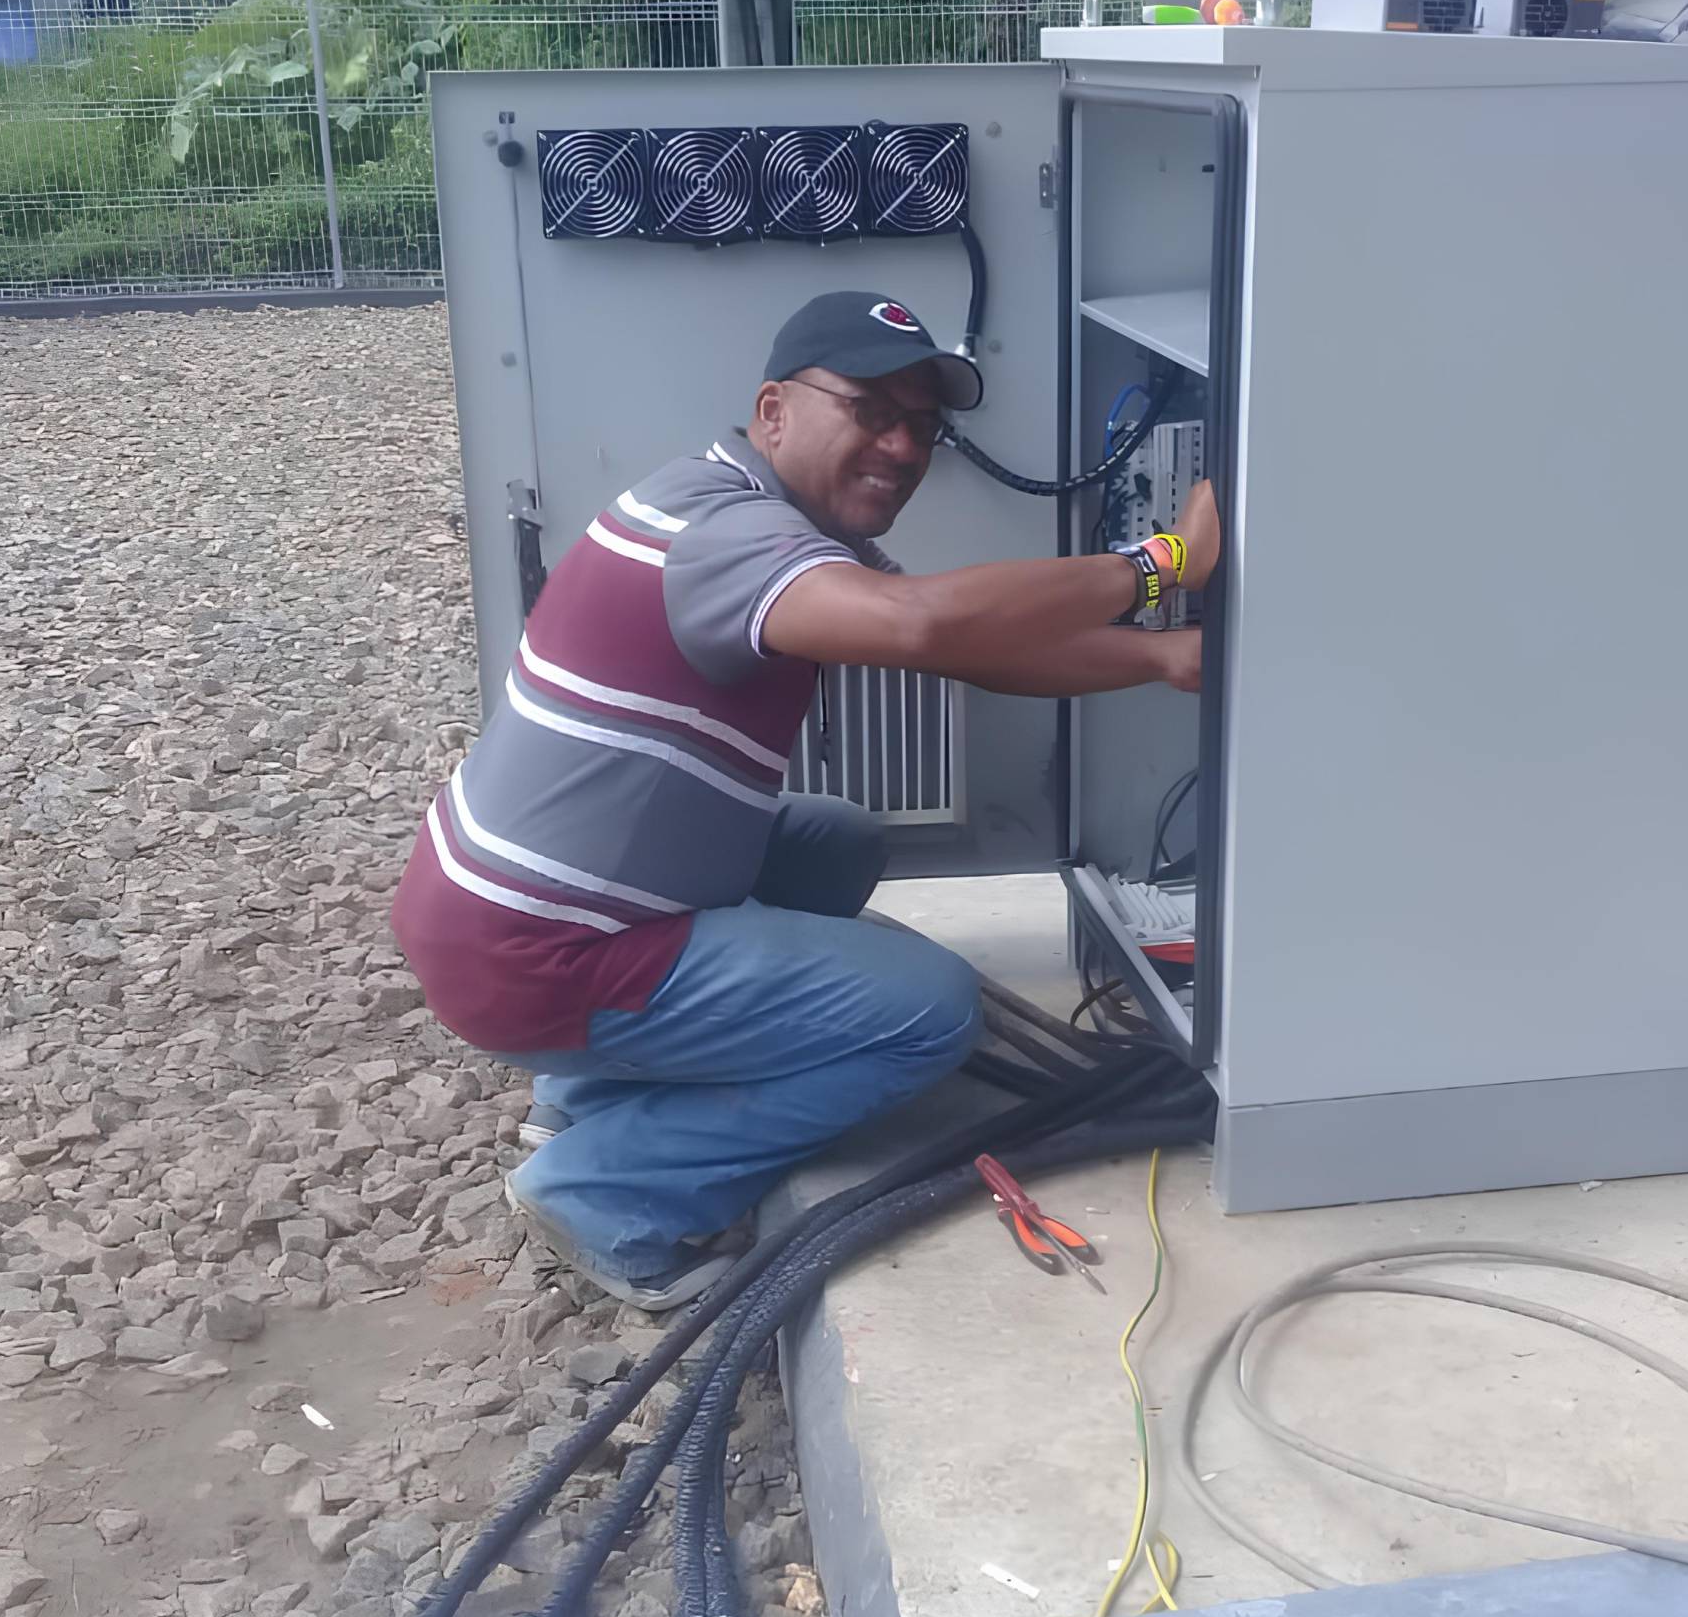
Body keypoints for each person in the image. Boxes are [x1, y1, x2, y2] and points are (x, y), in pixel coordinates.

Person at [390, 290, 1217, 1308]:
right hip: (533, 953)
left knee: (832, 842)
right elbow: (919, 623)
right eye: (871, 410)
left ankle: (592, 1092)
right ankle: (605, 1190)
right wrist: (1161, 564)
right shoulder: (724, 537)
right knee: (929, 1013)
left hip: (503, 911)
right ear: (774, 410)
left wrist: (1162, 658)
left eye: (921, 425)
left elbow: (971, 647)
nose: (903, 446)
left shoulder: (741, 508)